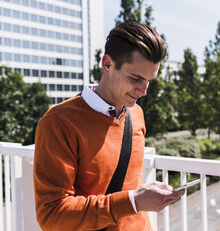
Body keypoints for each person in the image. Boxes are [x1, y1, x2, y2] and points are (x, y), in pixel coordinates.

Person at [33, 22, 185, 231]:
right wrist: (132, 201)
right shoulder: (59, 122)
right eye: (135, 78)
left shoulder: (137, 114)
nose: (144, 91)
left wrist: (144, 196)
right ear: (107, 64)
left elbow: (128, 186)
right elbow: (52, 215)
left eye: (149, 80)